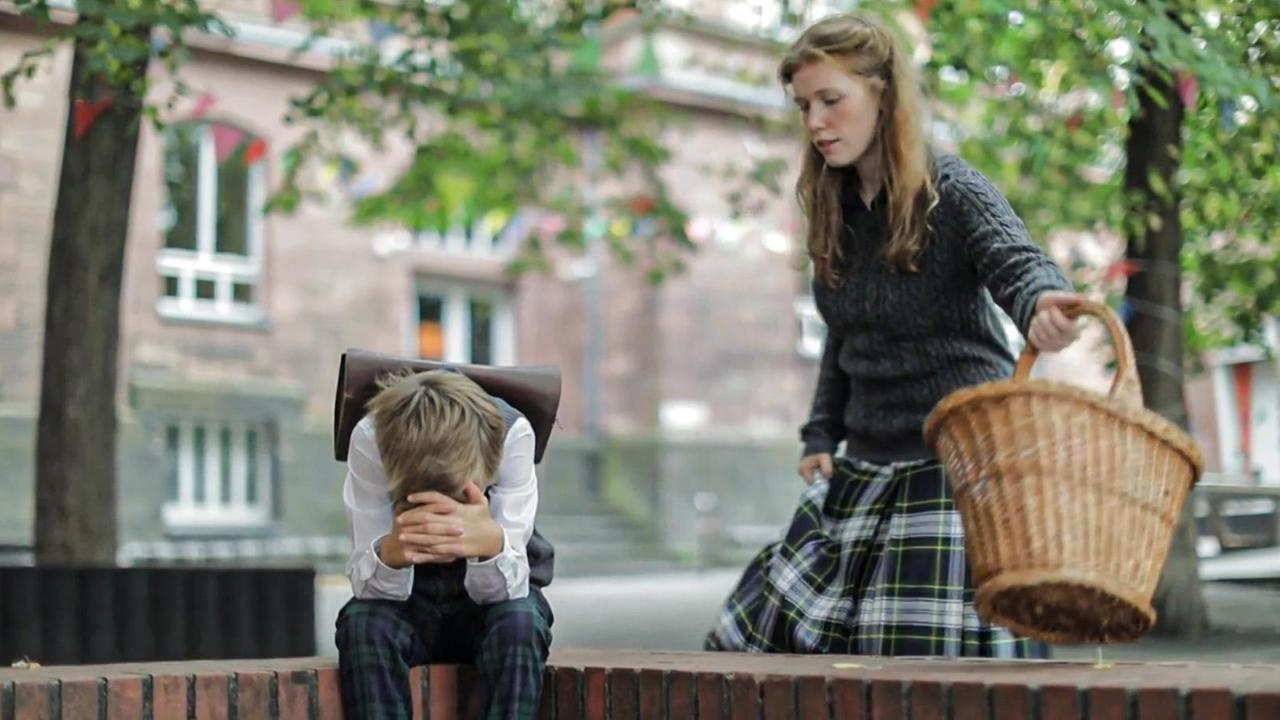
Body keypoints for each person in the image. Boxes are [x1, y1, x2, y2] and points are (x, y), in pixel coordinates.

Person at [705, 12, 1082, 658]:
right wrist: (821, 432)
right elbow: (845, 336)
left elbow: (1018, 263)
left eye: (832, 100)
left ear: (882, 95)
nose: (815, 122)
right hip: (863, 468)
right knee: (757, 632)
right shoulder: (833, 210)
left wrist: (1043, 304)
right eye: (803, 106)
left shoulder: (952, 190)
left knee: (918, 661)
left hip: (957, 466)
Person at [335, 369, 555, 719]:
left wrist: (490, 546)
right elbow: (366, 581)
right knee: (364, 624)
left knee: (521, 622)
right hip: (408, 606)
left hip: (490, 608)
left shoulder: (511, 433)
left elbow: (513, 584)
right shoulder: (372, 436)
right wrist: (390, 557)